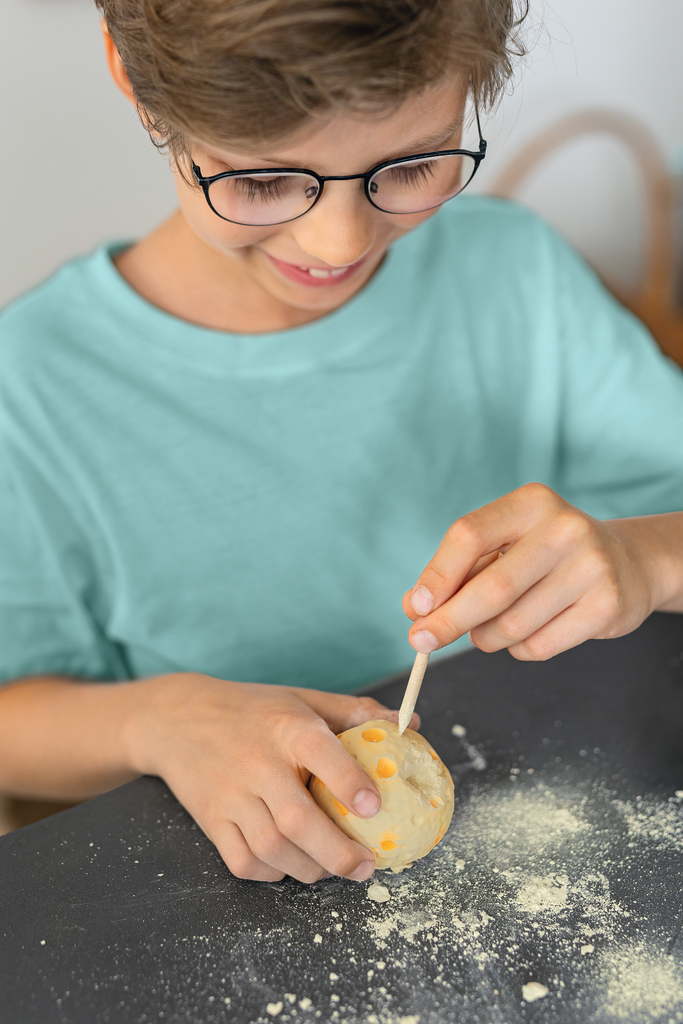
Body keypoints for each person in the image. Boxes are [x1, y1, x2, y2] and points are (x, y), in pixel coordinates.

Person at [1, 0, 682, 885]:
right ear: (133, 78)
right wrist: (157, 720)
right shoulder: (31, 392)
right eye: (261, 182)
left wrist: (649, 556)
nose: (339, 243)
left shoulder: (516, 272)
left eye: (412, 165)